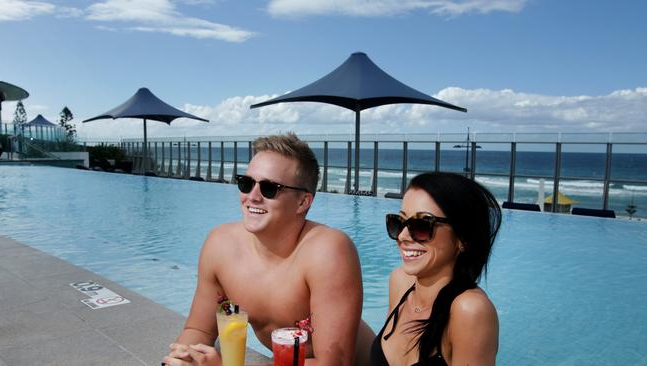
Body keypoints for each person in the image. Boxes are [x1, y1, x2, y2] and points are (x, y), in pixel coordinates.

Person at [163, 133, 374, 366]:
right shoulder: (220, 246)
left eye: (269, 188)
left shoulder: (327, 251)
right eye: (246, 183)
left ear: (303, 202)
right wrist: (183, 358)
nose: (252, 197)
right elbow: (199, 329)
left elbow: (333, 364)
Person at [370, 172, 502, 366]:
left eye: (421, 225)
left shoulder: (469, 310)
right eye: (399, 222)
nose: (403, 236)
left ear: (462, 238)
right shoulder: (400, 282)